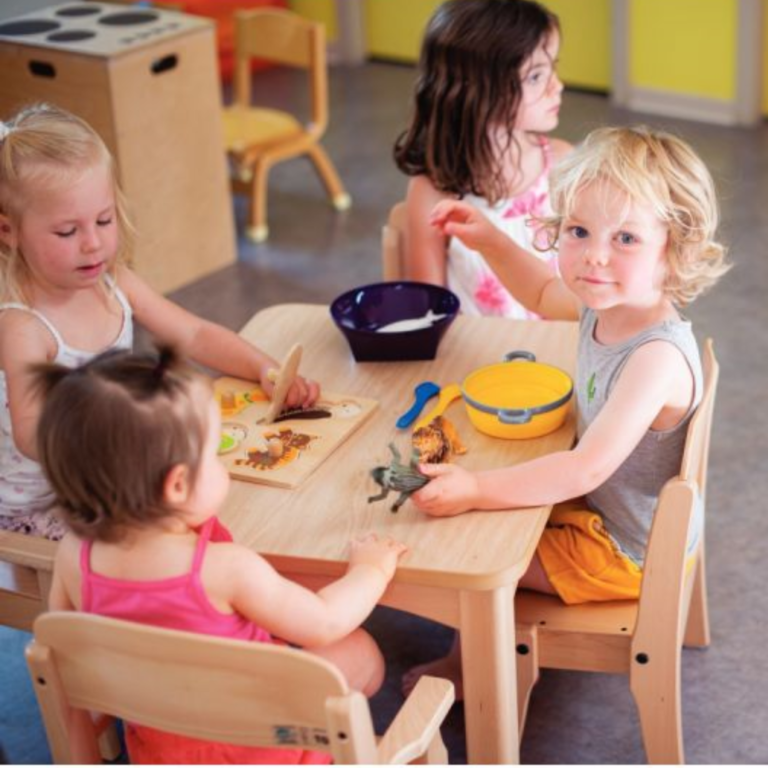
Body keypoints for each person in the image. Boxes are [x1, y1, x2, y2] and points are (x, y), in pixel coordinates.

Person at [404, 125, 730, 696]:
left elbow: (583, 470)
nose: (594, 257)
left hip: (621, 551)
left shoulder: (654, 356)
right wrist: (490, 242)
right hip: (605, 511)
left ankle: (467, 674)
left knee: (471, 559)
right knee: (486, 506)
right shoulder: (609, 301)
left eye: (625, 239)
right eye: (579, 231)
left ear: (672, 254)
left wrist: (477, 489)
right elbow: (537, 294)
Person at [42, 346, 407, 764]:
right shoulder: (226, 569)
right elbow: (324, 622)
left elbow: (64, 654)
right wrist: (370, 570)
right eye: (215, 455)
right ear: (177, 486)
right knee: (358, 650)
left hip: (161, 748)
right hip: (266, 748)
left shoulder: (74, 555)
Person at [0, 103, 318, 540]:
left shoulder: (113, 281)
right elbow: (31, 433)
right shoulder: (24, 326)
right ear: (8, 231)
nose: (93, 244)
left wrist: (265, 369)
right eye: (67, 232)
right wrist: (124, 442)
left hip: (114, 474)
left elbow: (194, 333)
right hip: (45, 507)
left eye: (104, 220)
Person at [393, 0, 571, 318]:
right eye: (535, 77)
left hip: (560, 357)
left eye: (552, 69)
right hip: (478, 359)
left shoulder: (563, 165)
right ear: (478, 91)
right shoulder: (432, 193)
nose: (557, 86)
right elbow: (429, 313)